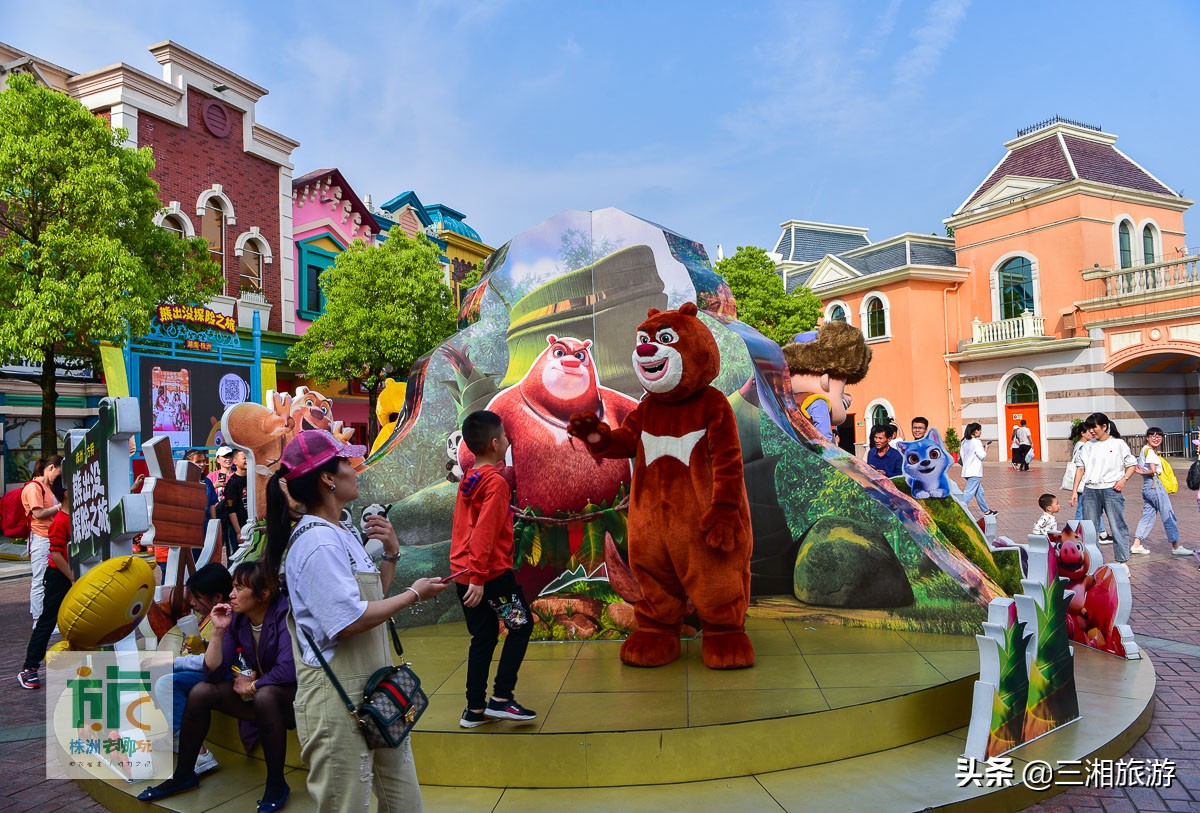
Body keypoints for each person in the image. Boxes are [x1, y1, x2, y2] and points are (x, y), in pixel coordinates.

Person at [263, 430, 449, 812]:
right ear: (327, 479)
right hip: (336, 700)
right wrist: (413, 594)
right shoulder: (317, 543)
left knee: (404, 802)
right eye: (346, 462)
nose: (354, 468)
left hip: (375, 693)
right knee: (346, 804)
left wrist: (392, 554)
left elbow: (368, 599)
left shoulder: (342, 533)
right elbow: (347, 621)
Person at [138, 561, 296, 810]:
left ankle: (276, 784)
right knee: (202, 692)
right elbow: (212, 674)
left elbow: (288, 670)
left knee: (265, 695)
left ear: (263, 595)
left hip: (291, 701)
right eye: (233, 586)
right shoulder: (237, 619)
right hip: (256, 696)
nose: (231, 594)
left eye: (239, 588)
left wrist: (254, 685)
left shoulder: (284, 614)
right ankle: (184, 775)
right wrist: (218, 632)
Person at [452, 411, 537, 729]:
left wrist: (470, 576)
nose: (508, 440)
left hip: (464, 575)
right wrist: (479, 577)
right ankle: (502, 699)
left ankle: (474, 710)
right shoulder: (496, 484)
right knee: (521, 625)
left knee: (483, 635)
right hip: (490, 577)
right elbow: (484, 532)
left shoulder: (470, 477)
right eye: (504, 435)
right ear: (494, 442)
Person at [150, 562, 232, 774]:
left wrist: (173, 662)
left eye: (197, 597)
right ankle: (175, 735)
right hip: (215, 671)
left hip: (226, 677)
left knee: (168, 683)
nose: (192, 602)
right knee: (154, 672)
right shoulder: (211, 614)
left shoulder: (226, 617)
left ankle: (200, 754)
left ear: (217, 597)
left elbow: (213, 662)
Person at [17, 491, 73, 689]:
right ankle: (29, 668)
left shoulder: (78, 516)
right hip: (60, 576)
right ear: (66, 493)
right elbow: (56, 555)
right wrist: (72, 578)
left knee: (78, 620)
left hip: (72, 574)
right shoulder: (60, 521)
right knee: (47, 621)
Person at [1070, 413, 1137, 563]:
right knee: (1090, 529)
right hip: (1090, 490)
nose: (1091, 431)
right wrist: (1075, 491)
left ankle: (1122, 561)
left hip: (1112, 490)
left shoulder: (1118, 444)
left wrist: (1124, 479)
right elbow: (1080, 468)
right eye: (1089, 428)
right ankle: (1094, 562)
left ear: (1104, 426)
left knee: (1117, 526)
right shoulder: (1087, 446)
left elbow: (1131, 464)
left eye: (1094, 427)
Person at [1132, 427, 1193, 557]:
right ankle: (1175, 545)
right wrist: (1143, 471)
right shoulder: (1150, 452)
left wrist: (1142, 472)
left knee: (1148, 515)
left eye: (1159, 436)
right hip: (1155, 485)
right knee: (1168, 514)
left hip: (1148, 486)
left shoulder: (1145, 450)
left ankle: (1136, 544)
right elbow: (1153, 470)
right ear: (1147, 437)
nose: (1156, 438)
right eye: (1153, 436)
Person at [21, 456, 62, 628]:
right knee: (40, 580)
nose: (59, 477)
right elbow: (37, 513)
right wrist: (61, 507)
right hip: (41, 538)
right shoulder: (33, 487)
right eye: (59, 472)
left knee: (51, 580)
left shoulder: (48, 487)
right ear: (51, 467)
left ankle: (47, 619)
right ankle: (39, 620)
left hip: (50, 536)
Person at [960, 423, 998, 516]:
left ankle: (987, 511)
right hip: (974, 472)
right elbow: (982, 456)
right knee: (969, 492)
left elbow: (962, 455)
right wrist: (986, 449)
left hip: (966, 471)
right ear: (975, 431)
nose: (981, 432)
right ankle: (959, 509)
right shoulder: (976, 442)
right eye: (980, 430)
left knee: (979, 492)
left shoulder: (964, 441)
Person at [221, 450, 249, 557]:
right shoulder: (232, 483)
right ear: (235, 462)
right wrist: (238, 532)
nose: (247, 460)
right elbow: (230, 509)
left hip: (251, 526)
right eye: (244, 458)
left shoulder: (253, 479)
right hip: (237, 528)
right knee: (235, 558)